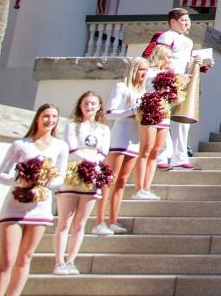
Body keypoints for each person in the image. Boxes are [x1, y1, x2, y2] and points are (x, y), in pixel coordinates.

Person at [0, 104, 67, 296]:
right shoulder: (21, 145)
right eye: (46, 116)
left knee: (25, 258)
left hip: (40, 207)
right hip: (15, 206)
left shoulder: (60, 146)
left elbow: (60, 178)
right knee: (7, 259)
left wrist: (44, 181)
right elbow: (1, 175)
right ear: (38, 118)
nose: (50, 120)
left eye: (54, 117)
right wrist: (20, 180)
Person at [53, 91, 110, 275]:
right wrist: (89, 162)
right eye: (86, 103)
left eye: (93, 103)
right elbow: (73, 147)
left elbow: (103, 151)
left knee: (80, 223)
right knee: (64, 222)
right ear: (80, 105)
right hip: (73, 174)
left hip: (91, 177)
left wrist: (94, 166)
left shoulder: (103, 129)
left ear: (99, 106)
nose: (89, 107)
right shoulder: (72, 126)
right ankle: (59, 261)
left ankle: (71, 261)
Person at [95, 57, 148, 235]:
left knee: (122, 181)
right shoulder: (121, 87)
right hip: (119, 137)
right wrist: (132, 112)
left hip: (134, 138)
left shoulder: (142, 92)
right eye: (141, 70)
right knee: (110, 179)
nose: (144, 74)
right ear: (134, 69)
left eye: (146, 70)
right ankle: (99, 221)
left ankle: (113, 220)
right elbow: (110, 113)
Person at [151, 7, 201, 170]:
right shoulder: (167, 36)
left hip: (183, 82)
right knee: (164, 118)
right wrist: (174, 75)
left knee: (182, 120)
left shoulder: (188, 41)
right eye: (183, 20)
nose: (187, 23)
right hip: (168, 81)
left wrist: (198, 62)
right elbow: (162, 58)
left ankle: (180, 156)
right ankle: (162, 156)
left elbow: (185, 61)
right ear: (172, 22)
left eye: (188, 20)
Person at [135, 47, 178, 199]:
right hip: (150, 111)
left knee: (155, 152)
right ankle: (139, 188)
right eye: (168, 57)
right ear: (161, 56)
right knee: (145, 150)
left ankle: (147, 187)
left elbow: (173, 96)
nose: (170, 61)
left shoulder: (169, 74)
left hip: (164, 113)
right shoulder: (150, 72)